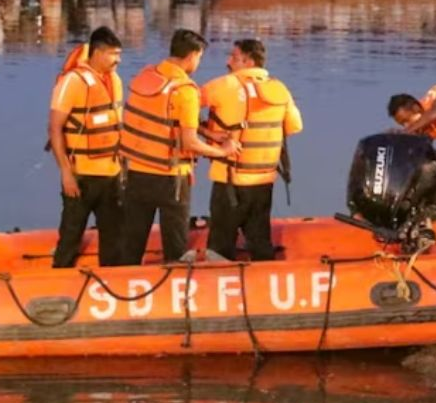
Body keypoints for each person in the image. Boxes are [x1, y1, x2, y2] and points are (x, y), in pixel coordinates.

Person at [120, 30, 239, 265]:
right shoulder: (186, 91)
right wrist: (222, 151)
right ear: (192, 55)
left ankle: (122, 283)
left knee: (132, 241)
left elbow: (164, 120)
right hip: (171, 178)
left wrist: (207, 132)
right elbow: (189, 142)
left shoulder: (146, 76)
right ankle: (174, 293)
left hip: (136, 172)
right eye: (200, 57)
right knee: (175, 245)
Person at [200, 39, 303, 261]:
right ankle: (264, 281)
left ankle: (219, 285)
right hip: (263, 179)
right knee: (259, 239)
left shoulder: (223, 85)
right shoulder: (279, 88)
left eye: (234, 57)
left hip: (230, 180)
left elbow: (186, 106)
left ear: (248, 61)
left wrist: (205, 131)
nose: (228, 61)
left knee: (220, 243)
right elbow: (295, 126)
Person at [48, 27, 125, 268]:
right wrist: (65, 172)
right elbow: (54, 129)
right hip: (81, 176)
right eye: (113, 54)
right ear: (98, 53)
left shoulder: (115, 80)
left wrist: (124, 168)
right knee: (71, 235)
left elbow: (118, 126)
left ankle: (110, 286)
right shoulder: (73, 82)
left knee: (114, 238)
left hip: (111, 175)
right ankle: (57, 283)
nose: (118, 60)